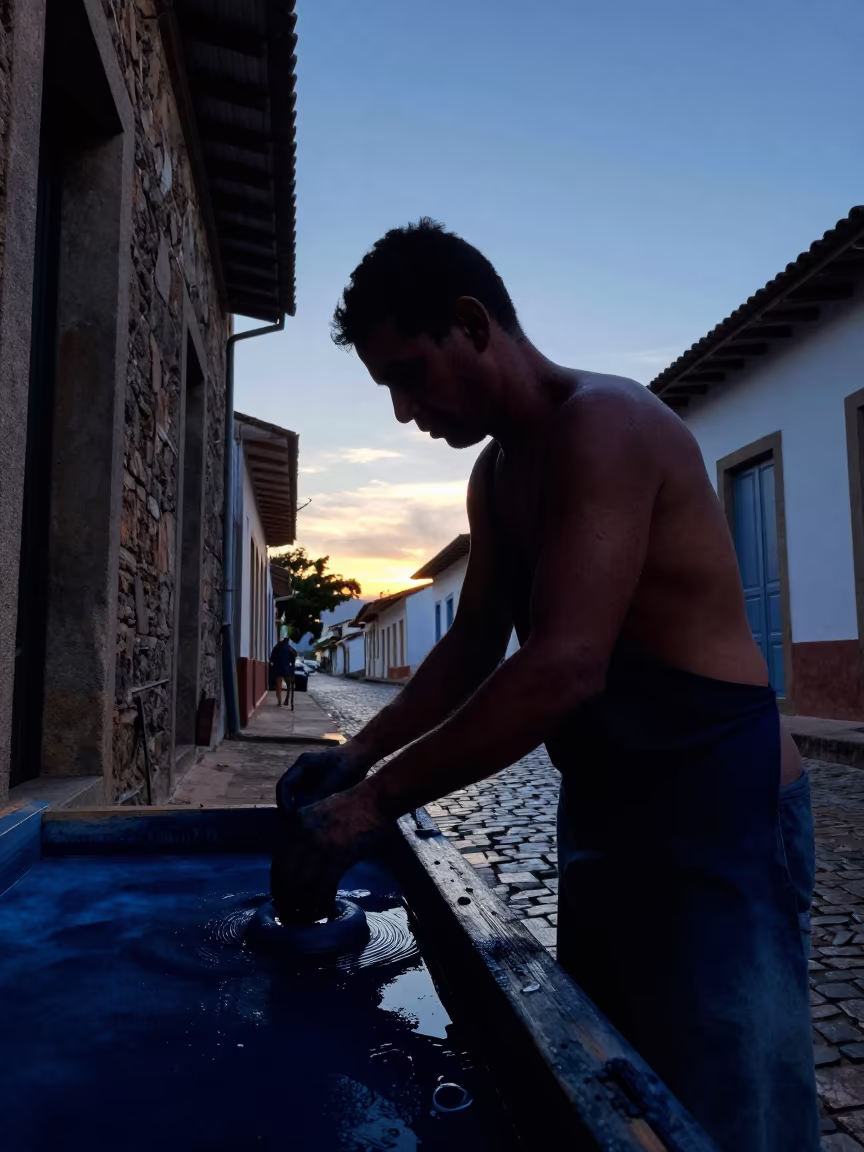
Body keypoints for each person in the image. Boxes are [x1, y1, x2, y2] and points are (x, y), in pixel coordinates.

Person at [271, 219, 819, 1151]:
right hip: (607, 818)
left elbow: (565, 665)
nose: (403, 411)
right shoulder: (496, 473)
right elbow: (475, 641)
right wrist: (356, 754)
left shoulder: (606, 424)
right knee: (617, 1086)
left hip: (719, 815)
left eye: (409, 373)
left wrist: (370, 807)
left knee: (733, 1115)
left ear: (472, 323)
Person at [270, 634, 297, 710]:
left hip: (277, 669)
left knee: (278, 685)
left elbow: (272, 658)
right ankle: (287, 699)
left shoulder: (276, 647)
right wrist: (292, 668)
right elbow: (294, 656)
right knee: (289, 685)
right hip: (286, 669)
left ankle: (279, 701)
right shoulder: (290, 648)